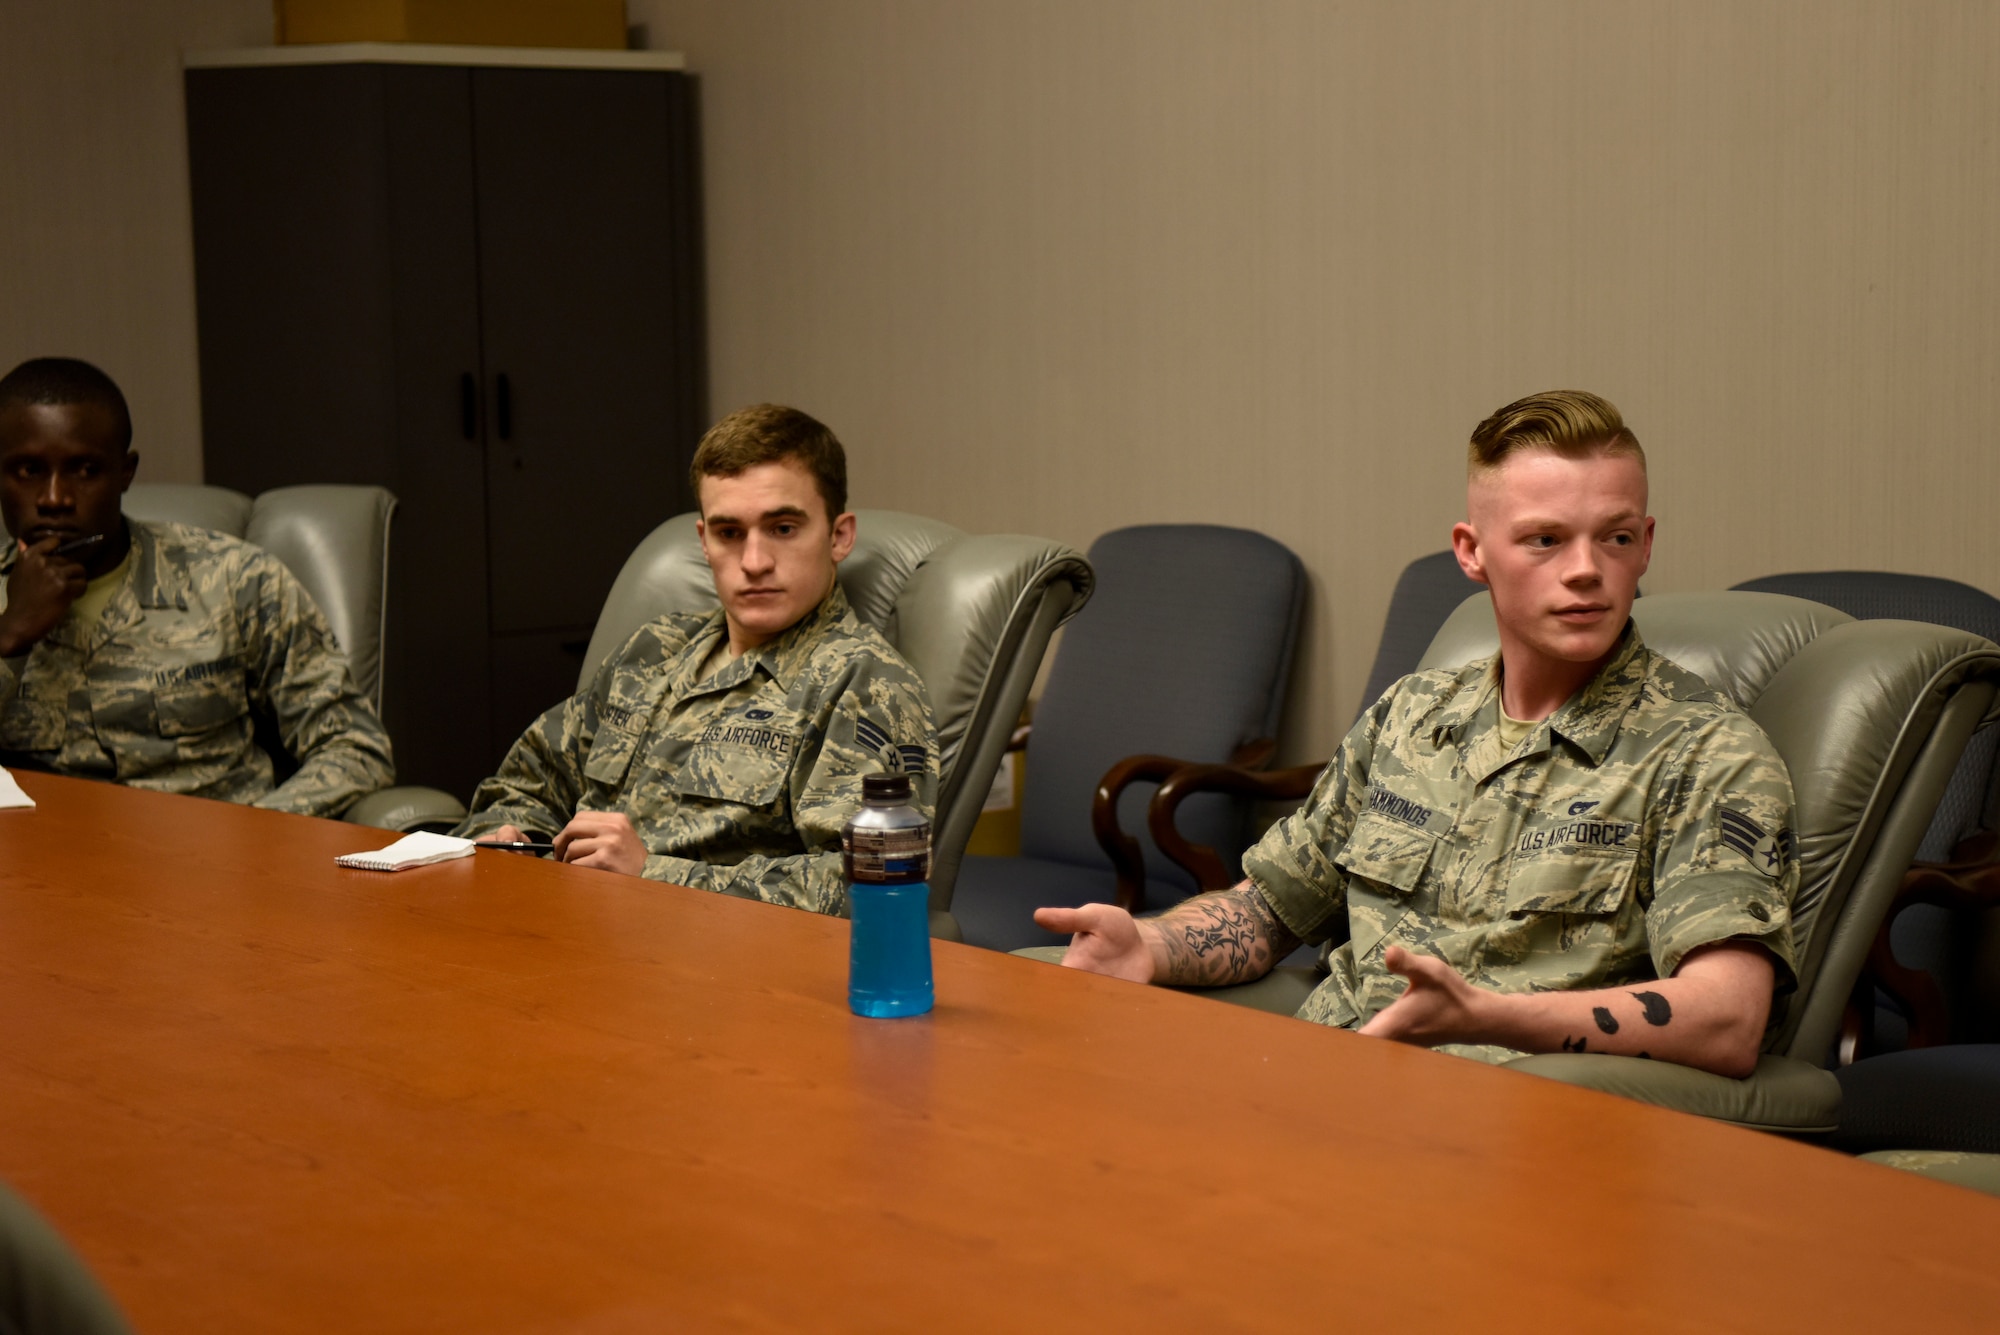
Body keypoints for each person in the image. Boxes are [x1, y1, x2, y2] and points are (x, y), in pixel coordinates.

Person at [1036, 390, 1799, 1077]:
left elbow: (1728, 1017)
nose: (1586, 570)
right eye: (1544, 540)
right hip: (1332, 1084)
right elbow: (1271, 907)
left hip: (1528, 1132)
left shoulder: (1707, 753)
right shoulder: (1413, 715)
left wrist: (1492, 1016)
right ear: (1472, 552)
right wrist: (1151, 946)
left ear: (1647, 542)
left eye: (1617, 537)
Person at [456, 404, 939, 916]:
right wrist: (511, 837)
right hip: (564, 927)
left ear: (839, 536)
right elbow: (525, 781)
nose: (754, 562)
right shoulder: (653, 649)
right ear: (704, 541)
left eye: (782, 528)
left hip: (714, 967)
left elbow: (864, 886)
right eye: (730, 533)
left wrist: (653, 874)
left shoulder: (863, 683)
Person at [0, 357, 395, 817]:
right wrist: (9, 637)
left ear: (124, 473)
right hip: (39, 869)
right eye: (28, 471)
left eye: (85, 469)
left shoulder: (236, 580)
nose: (55, 499)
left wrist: (255, 832)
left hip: (219, 865)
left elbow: (354, 747)